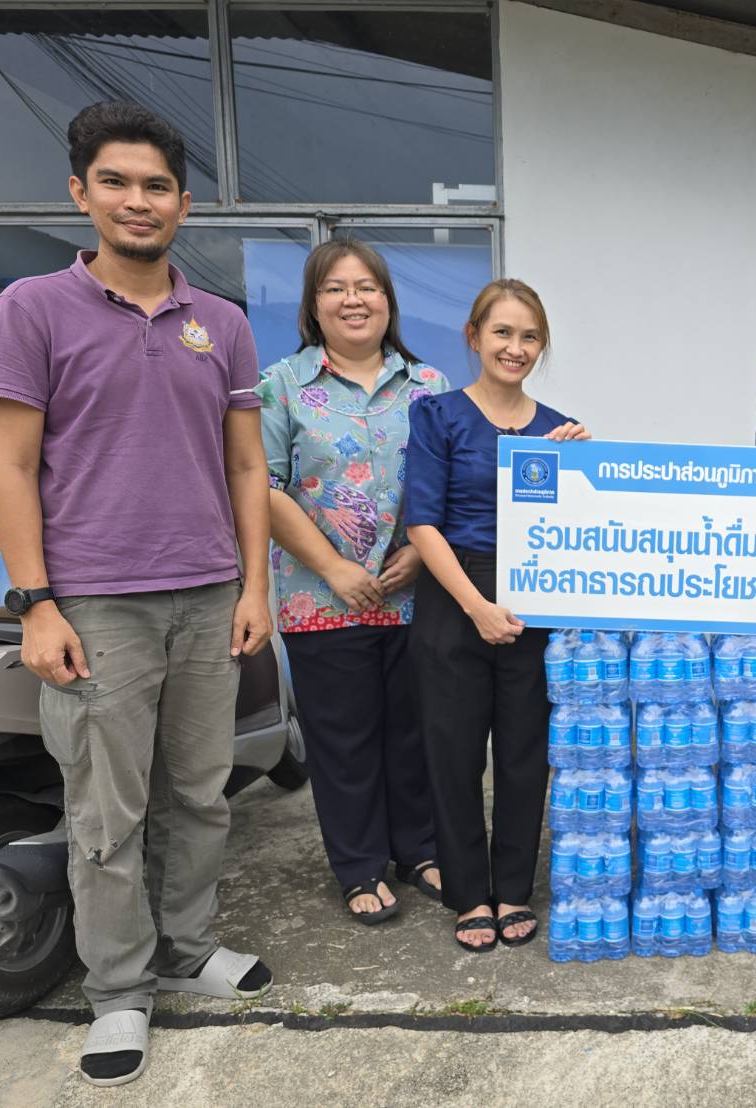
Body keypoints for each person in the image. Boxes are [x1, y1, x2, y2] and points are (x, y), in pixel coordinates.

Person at [0, 101, 272, 1087]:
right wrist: (36, 602)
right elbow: (11, 466)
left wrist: (253, 585)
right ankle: (120, 991)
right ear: (81, 192)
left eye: (155, 186)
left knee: (200, 795)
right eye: (117, 182)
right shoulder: (32, 308)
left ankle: (186, 949)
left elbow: (244, 469)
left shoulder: (219, 323)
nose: (137, 201)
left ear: (183, 203)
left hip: (205, 594)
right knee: (106, 811)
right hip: (95, 604)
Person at [256, 240, 447, 925]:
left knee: (413, 733)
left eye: (366, 286)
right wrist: (335, 567)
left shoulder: (427, 387)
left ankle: (419, 849)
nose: (353, 299)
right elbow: (263, 488)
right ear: (313, 305)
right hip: (320, 596)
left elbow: (450, 486)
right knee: (344, 742)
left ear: (387, 300)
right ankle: (360, 866)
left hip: (414, 595)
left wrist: (422, 558)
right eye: (335, 288)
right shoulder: (280, 386)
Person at [404, 279, 589, 953]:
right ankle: (467, 894)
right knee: (452, 757)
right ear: (473, 337)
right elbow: (422, 522)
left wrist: (585, 470)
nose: (516, 348)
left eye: (530, 336)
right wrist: (477, 607)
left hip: (536, 605)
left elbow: (582, 534)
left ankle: (513, 888)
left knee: (524, 755)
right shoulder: (438, 416)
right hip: (456, 599)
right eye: (503, 333)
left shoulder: (558, 429)